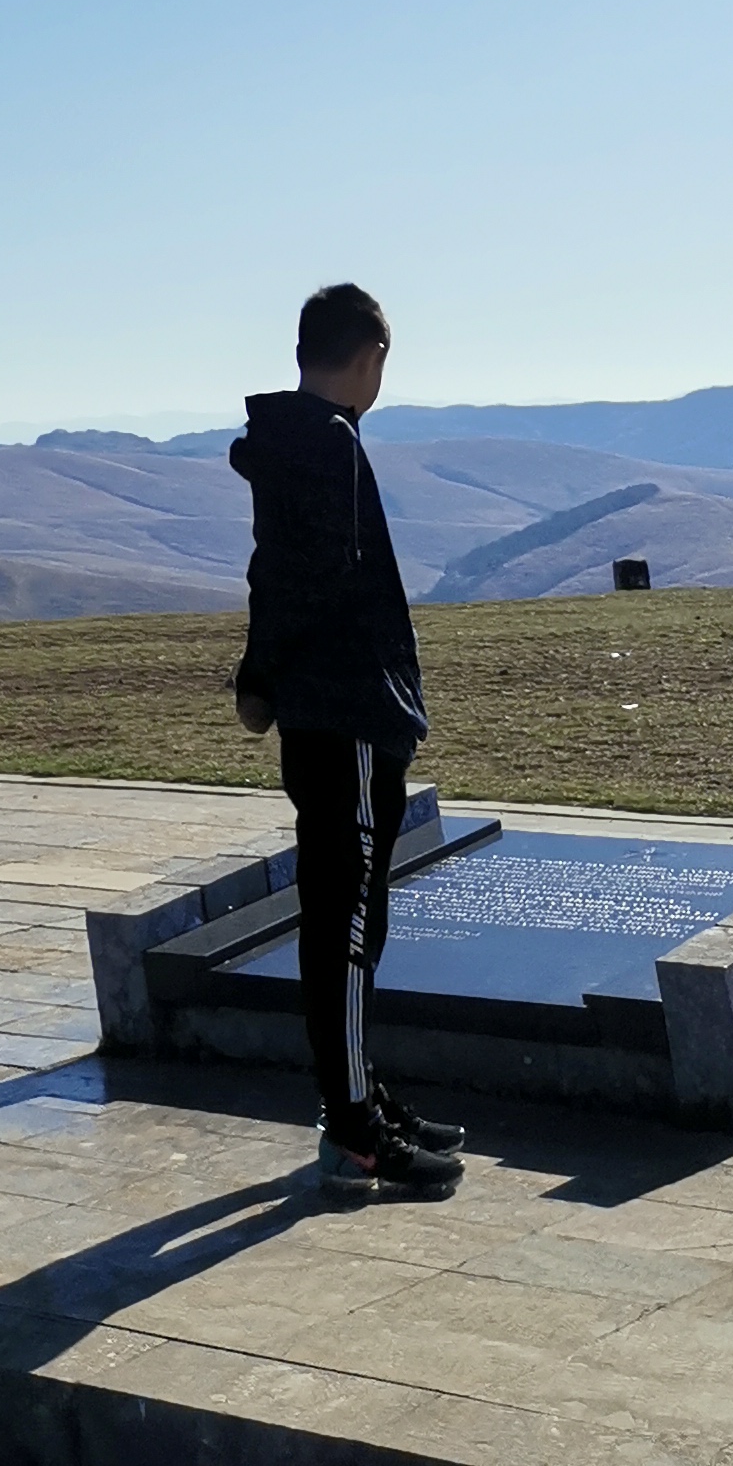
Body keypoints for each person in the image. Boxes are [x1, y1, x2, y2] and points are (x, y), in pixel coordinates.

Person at [231, 283, 466, 1198]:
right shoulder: (326, 447)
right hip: (348, 714)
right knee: (350, 921)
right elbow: (310, 582)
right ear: (371, 357)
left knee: (343, 916)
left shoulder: (297, 443)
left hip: (327, 710)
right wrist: (268, 678)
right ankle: (355, 1127)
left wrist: (262, 677)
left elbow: (271, 572)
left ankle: (360, 1095)